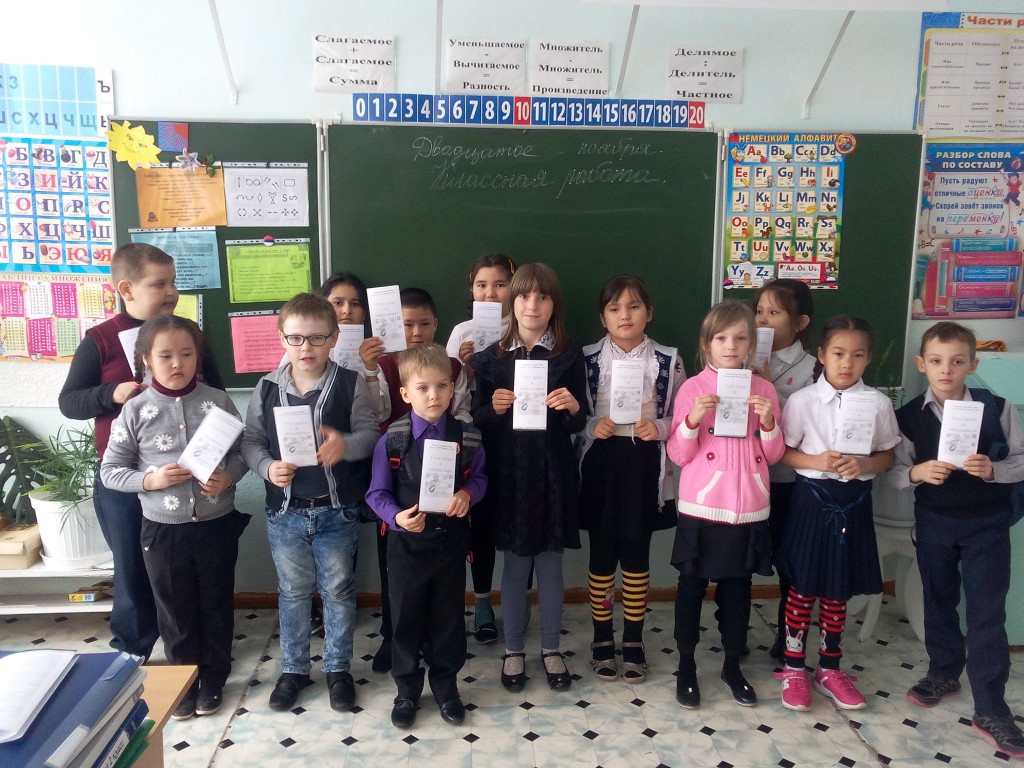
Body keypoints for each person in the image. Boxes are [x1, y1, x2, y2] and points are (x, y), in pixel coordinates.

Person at [58, 242, 224, 660]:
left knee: (187, 572)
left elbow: (218, 397)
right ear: (127, 289)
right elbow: (70, 402)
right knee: (132, 567)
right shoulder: (100, 339)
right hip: (125, 477)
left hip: (186, 479)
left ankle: (195, 652)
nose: (171, 292)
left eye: (174, 283)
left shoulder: (188, 335)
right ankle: (133, 651)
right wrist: (111, 393)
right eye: (159, 284)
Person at [100, 315, 249, 720]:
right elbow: (110, 471)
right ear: (146, 359)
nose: (177, 363)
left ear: (198, 356)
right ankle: (185, 680)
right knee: (174, 610)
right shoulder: (135, 409)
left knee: (216, 603)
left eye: (186, 353)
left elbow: (242, 454)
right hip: (163, 530)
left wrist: (228, 477)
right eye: (165, 356)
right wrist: (151, 480)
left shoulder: (218, 401)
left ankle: (214, 678)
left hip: (216, 523)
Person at [241, 293, 378, 713]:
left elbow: (370, 434)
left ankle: (338, 668)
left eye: (317, 338)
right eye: (296, 338)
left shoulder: (351, 383)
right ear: (281, 337)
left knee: (338, 590)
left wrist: (345, 445)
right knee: (293, 592)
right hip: (285, 513)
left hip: (336, 510)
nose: (306, 348)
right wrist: (267, 468)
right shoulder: (266, 388)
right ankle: (295, 669)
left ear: (334, 338)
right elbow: (251, 442)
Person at [892, 321, 1024, 758]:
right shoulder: (910, 416)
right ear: (921, 364)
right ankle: (944, 672)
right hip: (935, 522)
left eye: (956, 361)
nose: (946, 370)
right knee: (938, 599)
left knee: (987, 613)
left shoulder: (997, 408)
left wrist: (995, 470)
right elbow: (894, 472)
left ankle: (991, 708)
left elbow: (1021, 459)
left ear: (973, 364)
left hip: (987, 525)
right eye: (936, 361)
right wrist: (917, 472)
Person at [470, 262, 588, 693]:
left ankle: (551, 648)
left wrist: (572, 407)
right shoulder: (490, 359)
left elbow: (578, 423)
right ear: (511, 301)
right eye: (523, 295)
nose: (532, 305)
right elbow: (477, 419)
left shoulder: (569, 355)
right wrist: (494, 409)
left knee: (551, 567)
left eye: (542, 296)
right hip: (510, 477)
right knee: (516, 566)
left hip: (553, 474)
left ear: (554, 304)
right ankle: (514, 649)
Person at [776, 315, 899, 712]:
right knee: (802, 586)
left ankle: (829, 668)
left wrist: (864, 465)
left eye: (858, 355)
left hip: (854, 502)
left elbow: (887, 455)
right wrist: (815, 459)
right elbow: (782, 452)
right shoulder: (803, 401)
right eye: (839, 353)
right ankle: (794, 666)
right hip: (812, 500)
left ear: (869, 359)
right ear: (822, 355)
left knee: (837, 588)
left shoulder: (878, 403)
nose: (847, 363)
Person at [666, 300, 783, 710]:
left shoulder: (764, 390)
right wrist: (692, 420)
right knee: (690, 588)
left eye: (740, 338)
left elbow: (774, 455)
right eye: (721, 338)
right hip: (702, 506)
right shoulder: (692, 388)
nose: (730, 346)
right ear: (707, 344)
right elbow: (678, 454)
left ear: (751, 344)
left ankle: (733, 665)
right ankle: (686, 666)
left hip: (749, 507)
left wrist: (768, 423)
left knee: (738, 592)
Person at [365, 343, 488, 729]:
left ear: (453, 388)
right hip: (405, 546)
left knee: (448, 617)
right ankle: (406, 689)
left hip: (450, 545)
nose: (433, 395)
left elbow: (481, 478)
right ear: (405, 393)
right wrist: (398, 517)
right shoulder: (392, 440)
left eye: (442, 386)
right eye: (422, 388)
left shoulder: (468, 438)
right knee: (405, 618)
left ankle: (446, 686)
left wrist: (468, 495)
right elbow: (376, 494)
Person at [578, 275, 684, 683]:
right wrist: (592, 425)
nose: (625, 315)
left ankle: (634, 640)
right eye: (615, 308)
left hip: (644, 465)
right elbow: (570, 416)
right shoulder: (587, 359)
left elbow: (683, 415)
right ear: (603, 317)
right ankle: (602, 638)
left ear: (649, 313)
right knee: (602, 556)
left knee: (637, 558)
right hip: (602, 465)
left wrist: (660, 427)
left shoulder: (668, 361)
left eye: (634, 306)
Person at [363, 286, 470, 673]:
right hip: (400, 482)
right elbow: (376, 416)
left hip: (446, 499)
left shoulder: (451, 367)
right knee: (398, 580)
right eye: (408, 324)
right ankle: (395, 644)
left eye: (424, 324)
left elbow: (464, 418)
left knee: (444, 589)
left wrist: (467, 487)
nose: (416, 332)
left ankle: (438, 657)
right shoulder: (384, 365)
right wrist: (369, 370)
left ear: (436, 325)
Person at [445, 252, 517, 646]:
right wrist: (467, 368)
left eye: (500, 284)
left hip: (519, 438)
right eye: (481, 285)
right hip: (477, 437)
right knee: (483, 525)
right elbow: (449, 393)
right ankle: (483, 601)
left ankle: (517, 602)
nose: (490, 293)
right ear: (471, 289)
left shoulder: (525, 323)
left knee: (518, 522)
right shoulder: (462, 332)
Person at [752, 278, 815, 661]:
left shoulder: (815, 367)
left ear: (799, 323)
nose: (762, 320)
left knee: (791, 562)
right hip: (746, 478)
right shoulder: (738, 354)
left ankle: (789, 637)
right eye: (759, 311)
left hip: (791, 481)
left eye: (774, 313)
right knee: (741, 559)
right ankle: (732, 634)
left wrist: (765, 388)